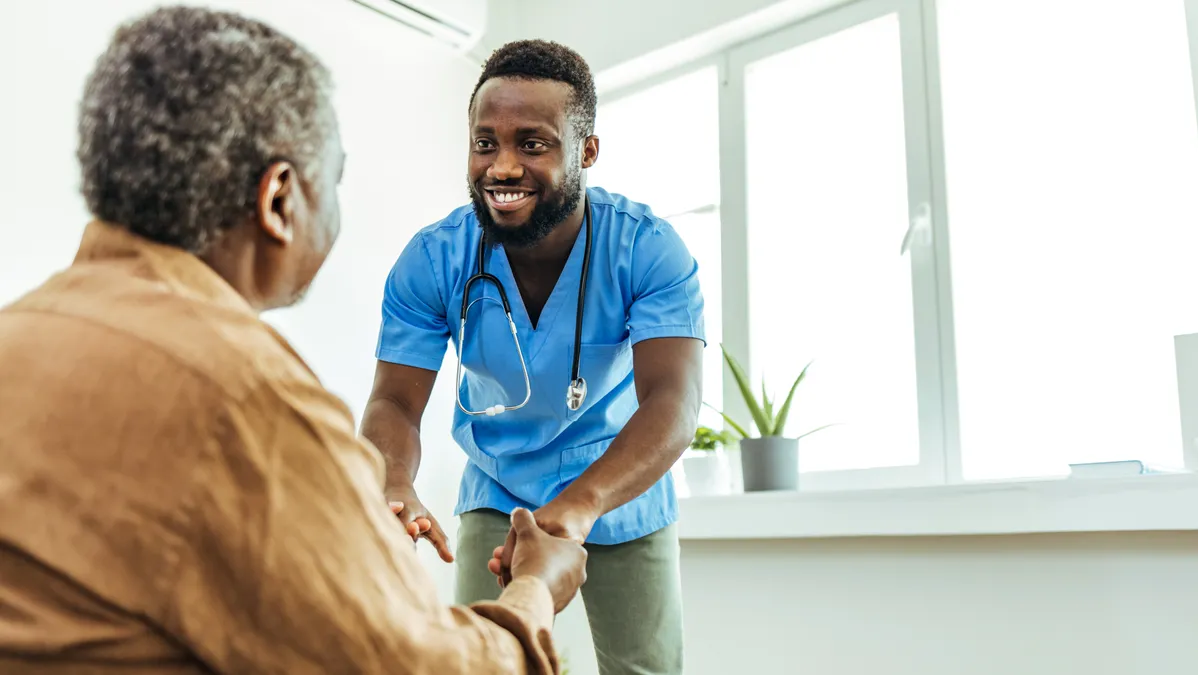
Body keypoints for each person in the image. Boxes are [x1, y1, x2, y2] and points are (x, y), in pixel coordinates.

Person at [0, 7, 587, 674]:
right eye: (332, 179)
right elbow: (423, 667)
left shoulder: (17, 334)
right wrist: (534, 592)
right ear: (280, 199)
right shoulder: (248, 398)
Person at [362, 39, 704, 674]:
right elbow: (393, 401)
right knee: (479, 663)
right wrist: (393, 482)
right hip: (499, 486)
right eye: (486, 143)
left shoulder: (649, 250)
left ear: (587, 151)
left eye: (533, 143)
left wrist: (581, 503)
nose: (503, 166)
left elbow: (673, 403)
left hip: (621, 488)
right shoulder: (433, 259)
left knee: (645, 669)